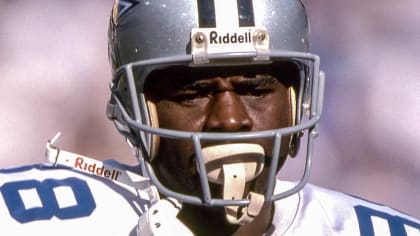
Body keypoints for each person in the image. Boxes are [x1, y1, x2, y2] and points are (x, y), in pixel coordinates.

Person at [0, 0, 419, 235]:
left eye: (255, 88)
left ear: (297, 100)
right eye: (193, 91)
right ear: (133, 108)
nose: (230, 119)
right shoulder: (36, 220)